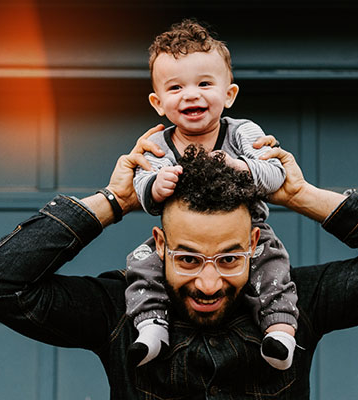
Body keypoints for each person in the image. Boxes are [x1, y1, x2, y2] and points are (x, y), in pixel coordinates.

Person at [0, 126, 358, 399]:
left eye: (230, 258)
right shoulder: (117, 311)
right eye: (189, 259)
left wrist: (301, 196)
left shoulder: (296, 303)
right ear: (159, 245)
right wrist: (113, 200)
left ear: (256, 242)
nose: (210, 282)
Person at [127, 18, 297, 370]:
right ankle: (151, 327)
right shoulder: (157, 143)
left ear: (229, 94)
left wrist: (243, 168)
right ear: (158, 103)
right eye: (175, 88)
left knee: (273, 264)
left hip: (248, 231)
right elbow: (141, 186)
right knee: (141, 263)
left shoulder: (242, 133)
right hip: (181, 239)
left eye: (204, 83)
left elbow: (275, 173)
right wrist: (154, 186)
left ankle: (279, 331)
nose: (191, 94)